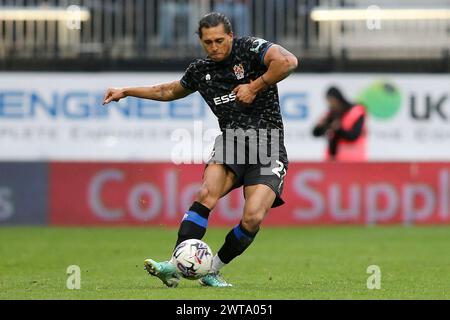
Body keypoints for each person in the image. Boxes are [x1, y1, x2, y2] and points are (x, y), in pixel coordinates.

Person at [103, 12, 298, 287]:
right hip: (232, 141)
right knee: (206, 193)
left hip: (268, 146)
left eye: (220, 40)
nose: (214, 47)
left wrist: (255, 86)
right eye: (208, 42)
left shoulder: (250, 48)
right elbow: (166, 91)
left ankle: (211, 270)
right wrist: (126, 90)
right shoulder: (200, 71)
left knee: (253, 217)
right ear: (201, 41)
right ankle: (172, 265)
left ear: (230, 36)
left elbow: (288, 61)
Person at [312, 86, 367, 161]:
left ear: (338, 99)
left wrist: (339, 129)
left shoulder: (356, 111)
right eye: (329, 101)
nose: (331, 104)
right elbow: (315, 133)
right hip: (333, 160)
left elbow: (354, 136)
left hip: (352, 159)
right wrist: (320, 126)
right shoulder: (331, 113)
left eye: (332, 101)